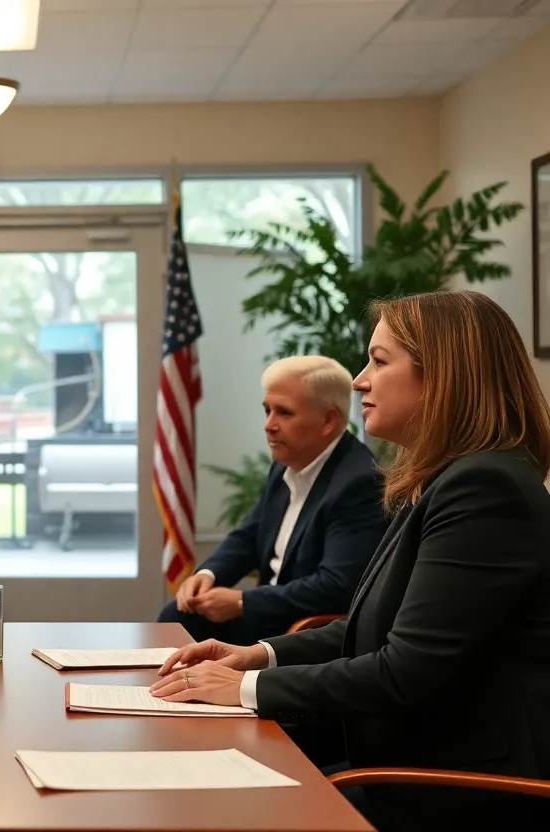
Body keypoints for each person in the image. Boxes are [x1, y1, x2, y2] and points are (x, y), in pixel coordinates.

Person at [151, 291, 550, 831]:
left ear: (444, 376)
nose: (360, 379)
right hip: (398, 758)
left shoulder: (483, 487)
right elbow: (371, 631)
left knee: (222, 808)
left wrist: (245, 692)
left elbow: (406, 671)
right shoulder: (449, 477)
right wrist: (256, 656)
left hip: (449, 785)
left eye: (379, 362)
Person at [158, 355, 387, 644]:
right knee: (176, 617)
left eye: (284, 413)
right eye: (267, 410)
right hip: (267, 617)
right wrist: (209, 573)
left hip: (302, 633)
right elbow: (249, 535)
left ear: (329, 420)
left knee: (181, 628)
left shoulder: (358, 482)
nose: (269, 425)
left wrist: (243, 601)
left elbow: (336, 586)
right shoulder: (286, 461)